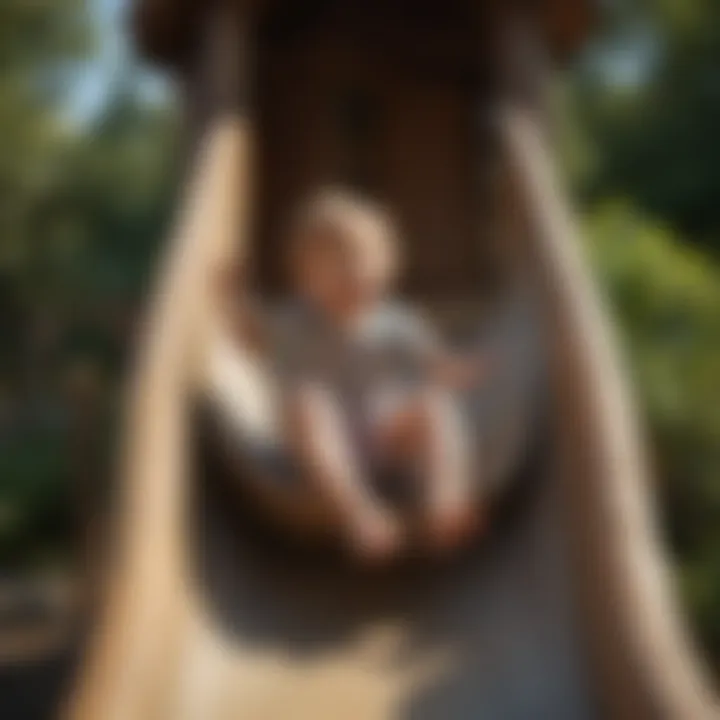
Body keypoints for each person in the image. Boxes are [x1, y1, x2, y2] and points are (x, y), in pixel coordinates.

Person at [231, 189, 488, 561]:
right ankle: (359, 511)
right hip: (325, 446)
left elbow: (431, 362)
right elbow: (251, 339)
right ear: (304, 277)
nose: (354, 275)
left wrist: (454, 370)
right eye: (336, 265)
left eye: (367, 261)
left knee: (435, 406)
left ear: (387, 266)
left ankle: (446, 500)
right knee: (308, 402)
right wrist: (232, 300)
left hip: (384, 433)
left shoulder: (397, 321)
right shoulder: (293, 320)